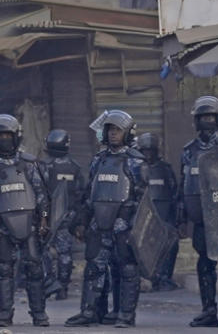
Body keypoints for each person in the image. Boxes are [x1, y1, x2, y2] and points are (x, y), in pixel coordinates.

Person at [65, 110, 147, 328]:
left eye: (118, 130)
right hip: (99, 223)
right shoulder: (98, 160)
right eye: (110, 130)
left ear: (128, 132)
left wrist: (134, 227)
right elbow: (88, 194)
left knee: (127, 269)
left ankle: (126, 315)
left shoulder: (136, 162)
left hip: (124, 225)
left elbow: (144, 199)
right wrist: (81, 221)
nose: (113, 134)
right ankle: (89, 312)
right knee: (94, 267)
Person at [177, 96, 218, 328]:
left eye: (211, 117)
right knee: (205, 265)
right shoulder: (188, 151)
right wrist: (182, 218)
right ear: (196, 120)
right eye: (203, 117)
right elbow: (182, 185)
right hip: (201, 219)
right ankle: (209, 312)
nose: (207, 121)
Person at [0, 114, 50, 328]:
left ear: (16, 136)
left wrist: (44, 220)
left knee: (35, 269)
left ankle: (39, 314)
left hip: (30, 224)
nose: (4, 140)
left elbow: (41, 195)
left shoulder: (29, 164)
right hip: (2, 226)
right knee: (4, 271)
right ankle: (5, 314)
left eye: (8, 135)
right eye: (0, 136)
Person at [40, 129, 84, 301]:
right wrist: (78, 221)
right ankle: (62, 287)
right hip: (68, 216)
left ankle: (50, 282)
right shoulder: (75, 167)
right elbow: (81, 195)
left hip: (48, 215)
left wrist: (42, 216)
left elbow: (40, 194)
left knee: (42, 250)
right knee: (65, 253)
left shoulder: (44, 166)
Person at [136, 132, 179, 292]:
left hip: (164, 217)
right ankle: (143, 277)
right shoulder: (135, 169)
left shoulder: (165, 169)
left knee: (171, 242)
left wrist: (176, 220)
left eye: (150, 151)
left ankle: (164, 277)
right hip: (141, 218)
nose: (148, 155)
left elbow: (174, 193)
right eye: (144, 151)